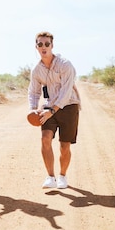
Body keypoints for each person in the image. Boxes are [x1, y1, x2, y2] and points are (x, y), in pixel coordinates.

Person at [28, 31, 81, 189]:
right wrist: (32, 109)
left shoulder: (65, 65)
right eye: (40, 44)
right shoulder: (37, 70)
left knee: (65, 146)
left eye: (46, 44)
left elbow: (66, 93)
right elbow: (34, 92)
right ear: (36, 47)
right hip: (49, 107)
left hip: (68, 106)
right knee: (45, 139)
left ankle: (62, 176)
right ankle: (50, 177)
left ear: (52, 46)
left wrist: (52, 110)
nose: (43, 47)